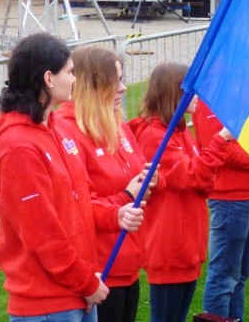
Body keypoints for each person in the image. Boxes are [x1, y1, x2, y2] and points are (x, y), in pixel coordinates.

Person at [0, 33, 143, 321]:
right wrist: (86, 282)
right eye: (70, 72)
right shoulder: (19, 145)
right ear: (49, 78)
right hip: (48, 303)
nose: (75, 80)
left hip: (78, 292)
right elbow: (42, 235)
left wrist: (116, 214)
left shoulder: (56, 126)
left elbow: (80, 200)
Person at [53, 46, 155, 322]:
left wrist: (150, 179)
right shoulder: (67, 130)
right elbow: (79, 205)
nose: (123, 88)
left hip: (129, 261)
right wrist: (126, 195)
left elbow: (135, 170)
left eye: (122, 79)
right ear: (92, 85)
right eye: (115, 81)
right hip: (100, 268)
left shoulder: (117, 124)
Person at [129, 62, 235, 322]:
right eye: (191, 90)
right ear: (174, 93)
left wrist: (204, 170)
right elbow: (194, 175)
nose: (198, 97)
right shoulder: (155, 137)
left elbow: (203, 182)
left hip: (187, 245)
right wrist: (220, 141)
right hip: (169, 246)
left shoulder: (177, 132)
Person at [193, 100, 249, 321]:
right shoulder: (212, 95)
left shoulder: (244, 88)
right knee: (224, 277)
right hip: (229, 197)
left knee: (240, 274)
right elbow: (216, 147)